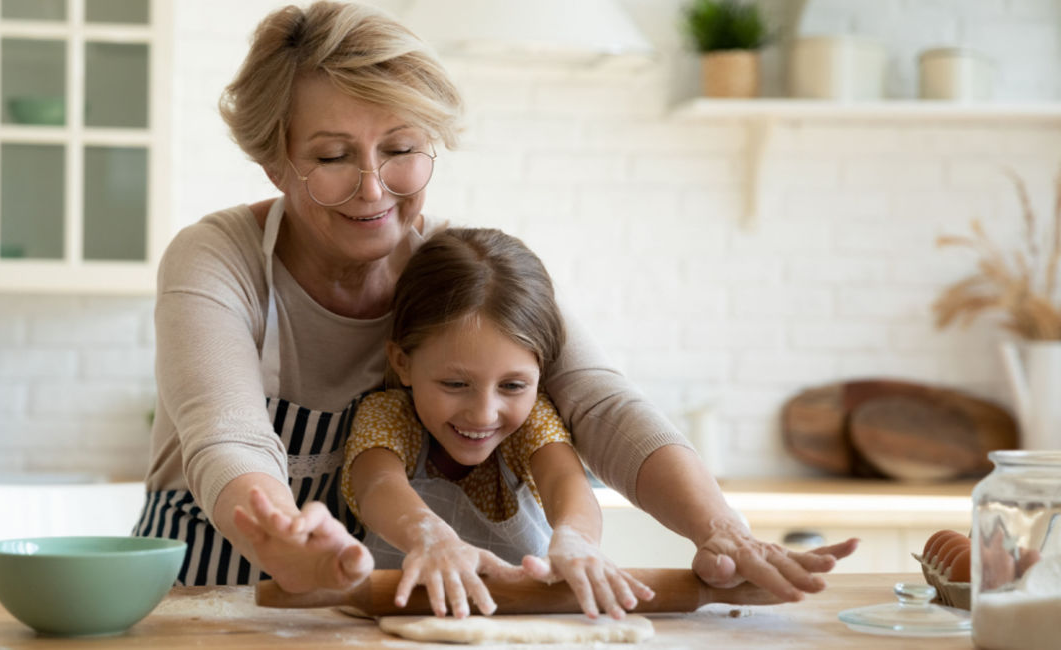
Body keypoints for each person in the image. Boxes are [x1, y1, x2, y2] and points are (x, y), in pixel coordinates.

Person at [137, 0, 857, 599]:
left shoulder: (456, 273)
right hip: (201, 598)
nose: (373, 187)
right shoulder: (217, 258)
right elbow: (225, 435)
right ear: (275, 160)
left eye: (401, 148)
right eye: (332, 157)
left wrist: (722, 531)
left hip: (346, 605)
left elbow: (598, 403)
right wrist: (285, 539)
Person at [342, 227, 654, 619]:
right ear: (402, 362)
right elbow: (377, 486)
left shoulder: (531, 422)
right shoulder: (389, 416)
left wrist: (578, 540)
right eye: (455, 384)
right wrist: (431, 538)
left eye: (512, 385)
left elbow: (566, 482)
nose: (484, 413)